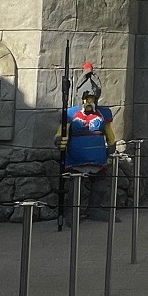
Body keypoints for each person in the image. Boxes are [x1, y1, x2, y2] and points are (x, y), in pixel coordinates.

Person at [57, 85, 115, 213]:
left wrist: (111, 147)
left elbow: (109, 133)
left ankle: (94, 209)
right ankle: (72, 212)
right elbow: (62, 132)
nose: (89, 101)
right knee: (75, 186)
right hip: (76, 157)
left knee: (100, 184)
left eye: (92, 98)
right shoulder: (70, 113)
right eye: (86, 98)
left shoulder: (103, 113)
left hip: (98, 156)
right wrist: (59, 139)